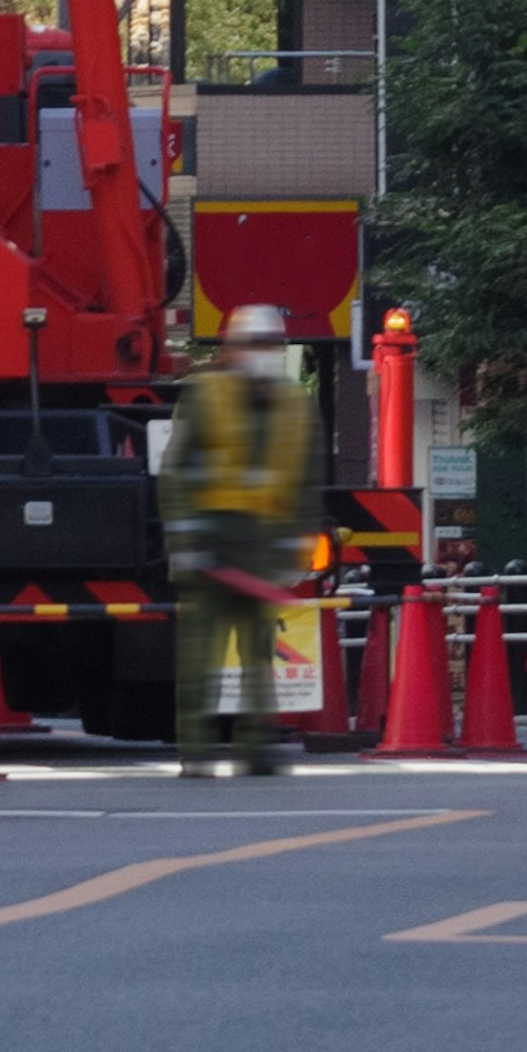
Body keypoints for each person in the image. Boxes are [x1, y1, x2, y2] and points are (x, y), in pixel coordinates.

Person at [163, 300, 321, 777]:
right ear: (232, 347)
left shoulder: (294, 403)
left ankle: (256, 748)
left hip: (262, 543)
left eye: (273, 344)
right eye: (256, 343)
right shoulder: (204, 395)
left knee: (258, 655)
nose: (265, 352)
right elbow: (176, 471)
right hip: (210, 537)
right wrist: (186, 539)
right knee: (202, 656)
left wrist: (297, 546)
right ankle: (197, 750)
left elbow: (305, 483)